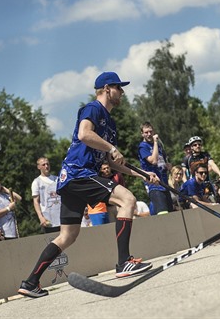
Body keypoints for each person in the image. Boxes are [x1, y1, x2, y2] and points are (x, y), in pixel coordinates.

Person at [17, 71, 159, 298]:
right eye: (119, 88)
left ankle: (30, 282)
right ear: (106, 88)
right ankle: (124, 262)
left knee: (68, 236)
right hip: (78, 173)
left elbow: (112, 162)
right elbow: (84, 134)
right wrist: (111, 147)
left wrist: (143, 174)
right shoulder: (93, 109)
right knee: (128, 200)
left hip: (72, 180)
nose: (122, 92)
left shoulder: (110, 124)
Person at [138, 122, 173, 215]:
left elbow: (162, 161)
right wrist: (156, 143)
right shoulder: (143, 146)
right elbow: (153, 160)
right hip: (154, 185)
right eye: (146, 132)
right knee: (163, 213)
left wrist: (168, 165)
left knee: (171, 212)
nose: (149, 134)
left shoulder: (159, 146)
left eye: (150, 131)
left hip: (164, 183)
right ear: (142, 134)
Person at [185, 136, 220, 203]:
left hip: (206, 182)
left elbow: (212, 164)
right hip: (195, 185)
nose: (198, 146)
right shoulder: (188, 159)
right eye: (195, 145)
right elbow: (185, 172)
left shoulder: (205, 155)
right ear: (191, 147)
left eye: (199, 144)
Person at [31, 157, 61, 233]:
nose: (46, 166)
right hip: (48, 219)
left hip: (61, 217)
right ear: (39, 167)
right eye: (43, 165)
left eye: (47, 164)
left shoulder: (57, 179)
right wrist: (41, 217)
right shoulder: (37, 182)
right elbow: (36, 202)